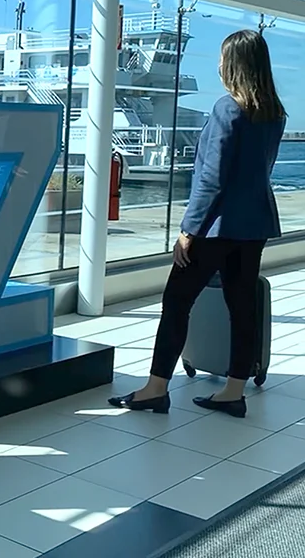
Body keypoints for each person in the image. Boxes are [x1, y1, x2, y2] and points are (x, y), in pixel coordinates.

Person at [109, 29, 286, 419]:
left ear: (234, 65)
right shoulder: (274, 113)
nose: (218, 66)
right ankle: (233, 391)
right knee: (241, 308)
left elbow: (212, 178)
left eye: (223, 59)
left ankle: (156, 388)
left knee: (176, 302)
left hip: (217, 228)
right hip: (254, 225)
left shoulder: (228, 108)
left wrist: (188, 231)